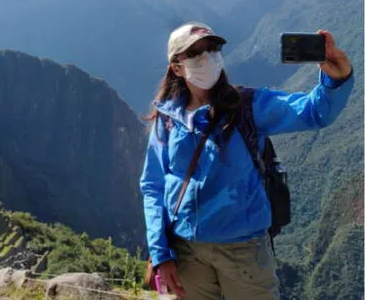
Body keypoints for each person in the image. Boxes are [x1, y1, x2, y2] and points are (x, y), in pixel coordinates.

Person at [139, 21, 353, 300]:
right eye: (195, 52)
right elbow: (153, 187)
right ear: (176, 67)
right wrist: (160, 254)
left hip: (244, 251)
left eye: (212, 48)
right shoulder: (167, 121)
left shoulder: (248, 107)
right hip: (187, 252)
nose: (207, 57)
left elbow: (313, 112)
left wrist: (336, 79)